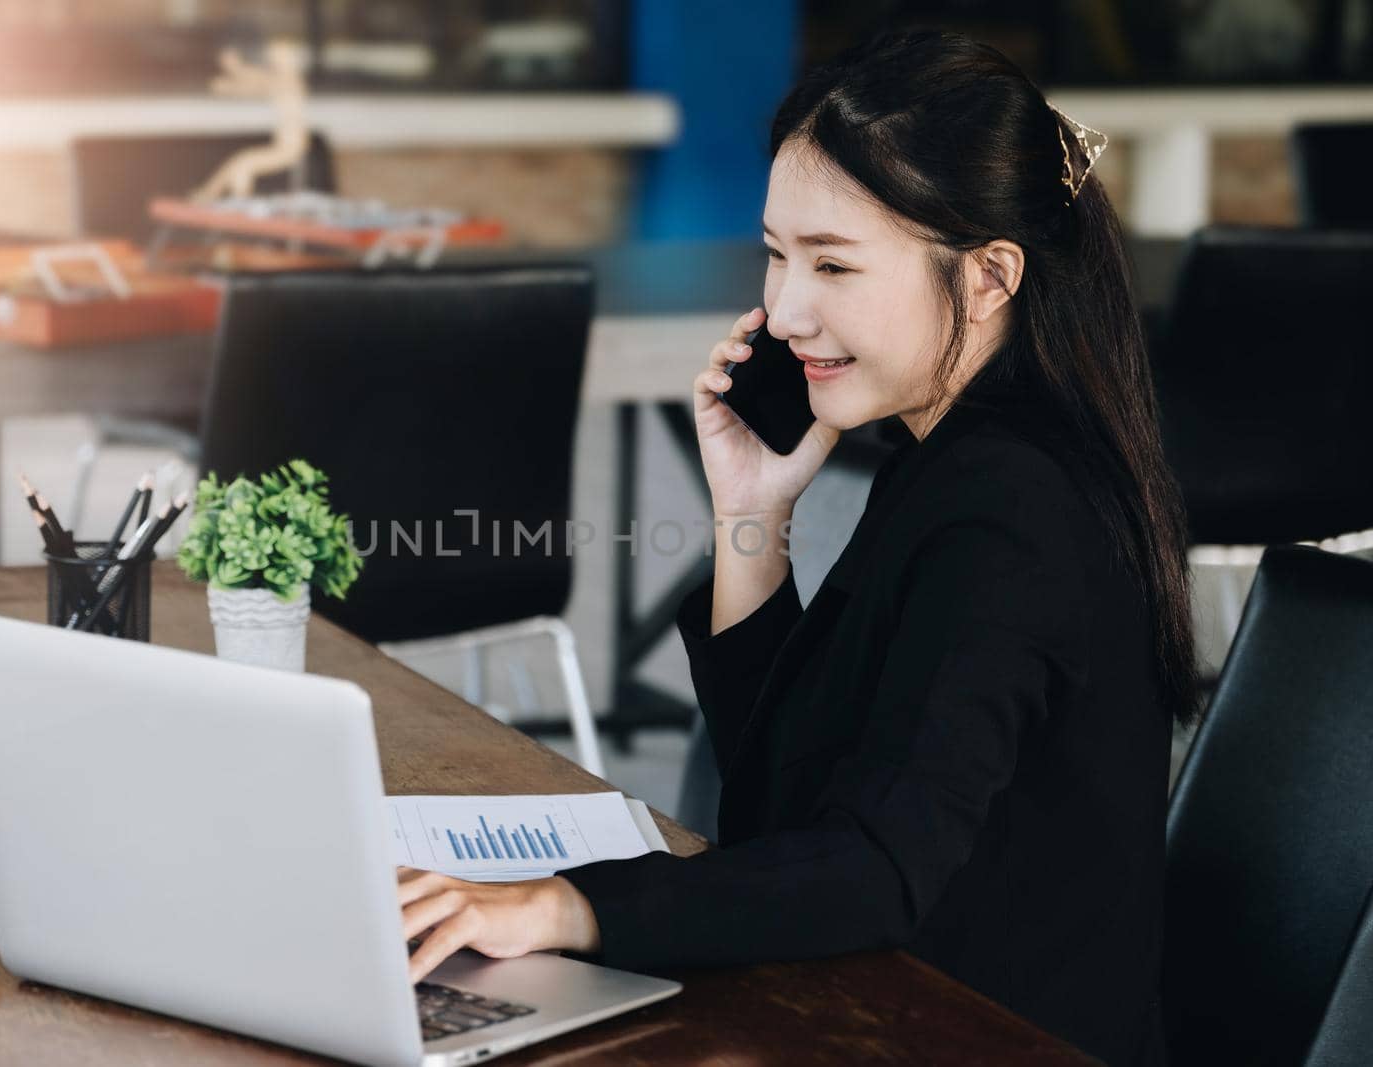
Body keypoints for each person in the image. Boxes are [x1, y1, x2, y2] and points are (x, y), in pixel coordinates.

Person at [396, 28, 1196, 1066]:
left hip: (976, 1033)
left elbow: (867, 870)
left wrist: (562, 908)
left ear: (990, 276)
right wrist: (751, 517)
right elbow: (784, 800)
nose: (783, 312)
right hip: (879, 998)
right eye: (777, 256)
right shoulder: (948, 453)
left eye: (833, 264)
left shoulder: (1009, 507)